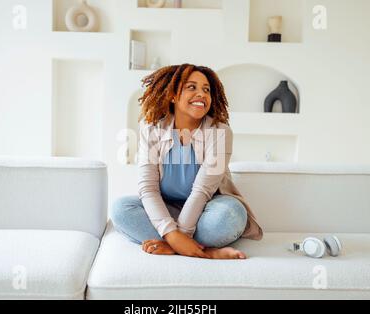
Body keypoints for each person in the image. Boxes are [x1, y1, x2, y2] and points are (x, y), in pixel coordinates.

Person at [111, 64, 263, 259]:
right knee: (121, 209)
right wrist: (173, 234)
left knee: (231, 215)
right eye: (191, 87)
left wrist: (178, 236)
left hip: (207, 208)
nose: (201, 94)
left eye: (206, 89)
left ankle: (177, 245)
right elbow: (148, 189)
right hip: (168, 207)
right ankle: (205, 251)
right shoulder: (151, 129)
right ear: (173, 95)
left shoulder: (219, 132)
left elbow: (202, 190)